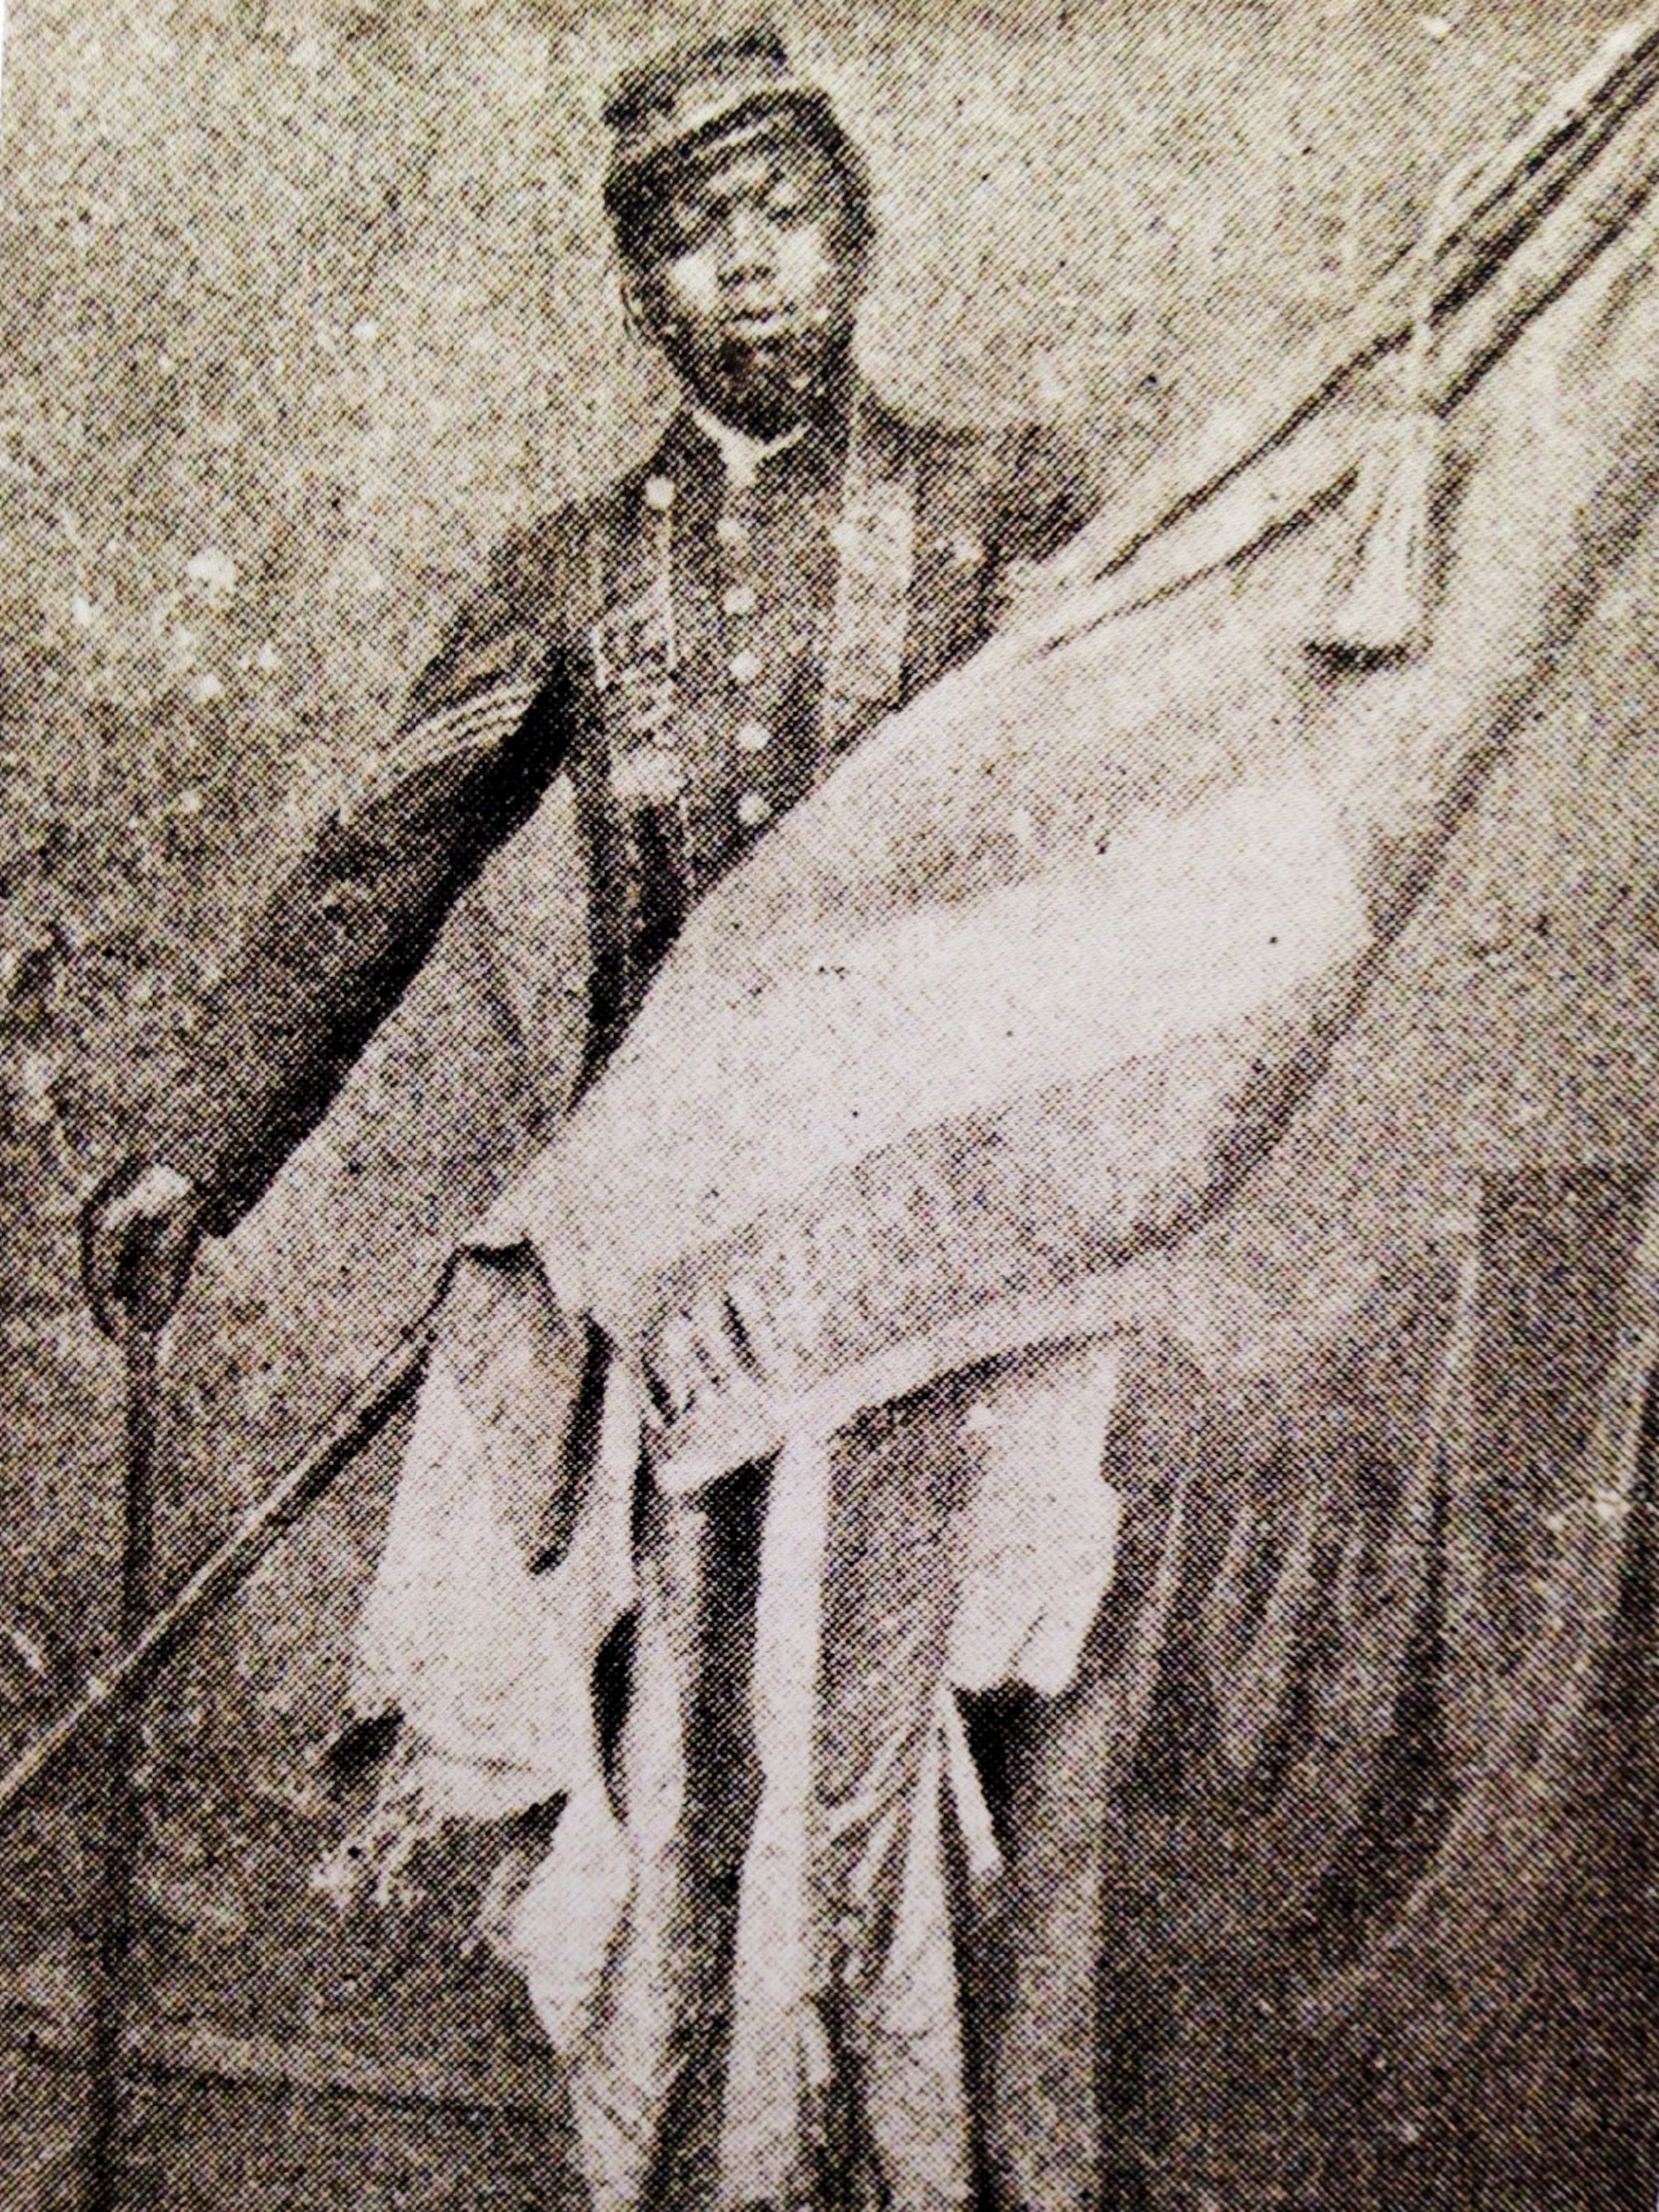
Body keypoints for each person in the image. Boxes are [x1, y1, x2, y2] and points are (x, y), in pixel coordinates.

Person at [81, 26, 1121, 2210]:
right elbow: (385, 856)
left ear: (856, 236)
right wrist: (201, 1144)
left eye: (783, 216)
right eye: (692, 236)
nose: (748, 269)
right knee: (686, 1742)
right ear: (640, 289)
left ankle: (914, 2174)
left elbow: (1154, 743)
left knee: (892, 1738)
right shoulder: (573, 575)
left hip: (934, 1247)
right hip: (681, 1273)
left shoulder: (1005, 515)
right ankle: (687, 2171)